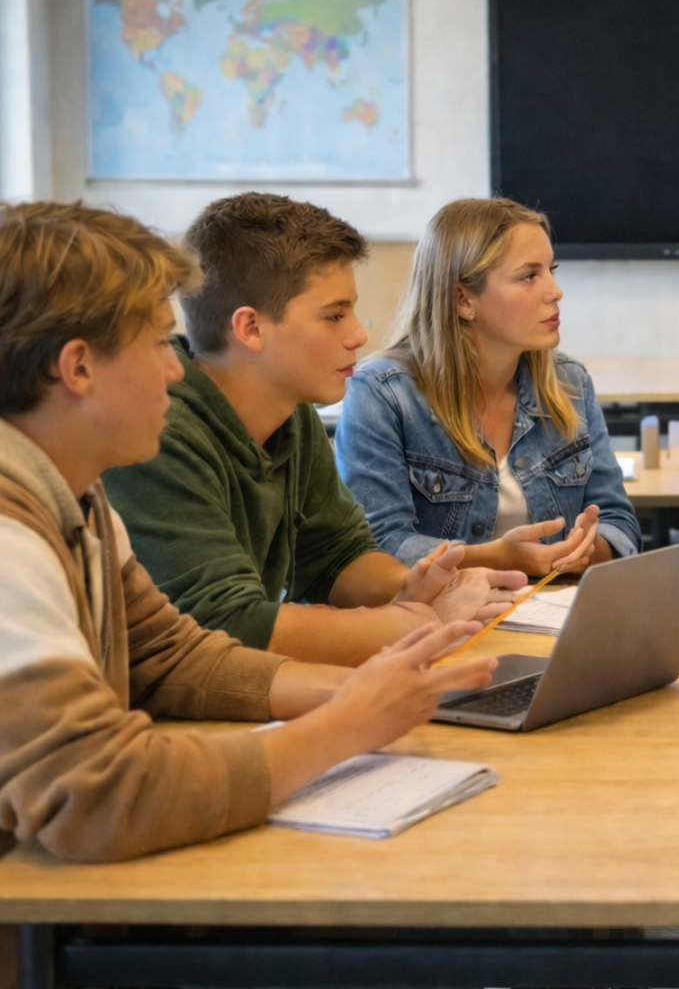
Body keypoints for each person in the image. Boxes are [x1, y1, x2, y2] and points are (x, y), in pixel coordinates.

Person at [0, 201, 499, 862]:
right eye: (156, 343)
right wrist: (342, 726)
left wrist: (368, 695)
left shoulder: (74, 494)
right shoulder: (11, 540)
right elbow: (99, 798)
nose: (177, 368)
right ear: (78, 368)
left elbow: (173, 657)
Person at [102, 192, 524, 667]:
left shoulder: (291, 413)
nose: (359, 334)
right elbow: (225, 624)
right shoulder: (161, 434)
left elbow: (336, 554)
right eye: (334, 314)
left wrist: (414, 587)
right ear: (250, 328)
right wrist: (414, 621)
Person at [335, 197, 641, 572]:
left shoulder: (569, 382)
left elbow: (619, 524)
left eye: (551, 269)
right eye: (529, 275)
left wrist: (581, 552)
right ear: (463, 299)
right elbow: (378, 547)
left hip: (549, 615)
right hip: (438, 619)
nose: (555, 291)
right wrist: (494, 559)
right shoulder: (382, 393)